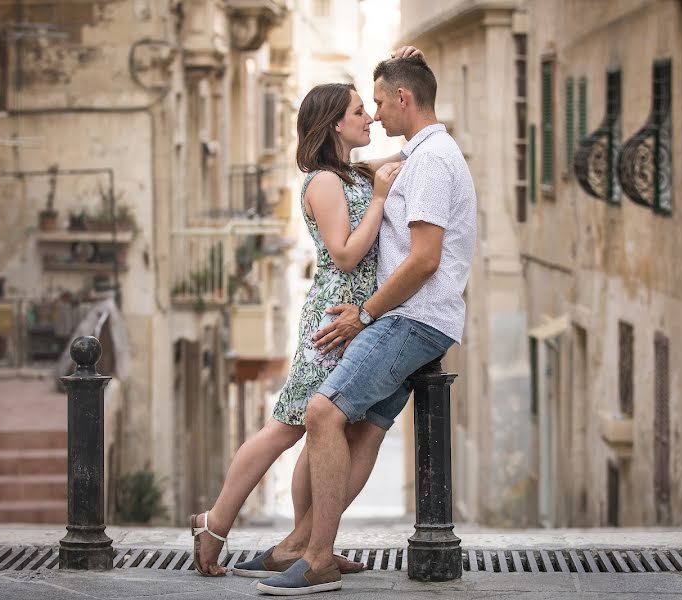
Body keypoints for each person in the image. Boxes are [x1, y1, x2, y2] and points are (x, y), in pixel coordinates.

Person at [255, 50, 477, 596]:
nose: (374, 115)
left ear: (404, 98)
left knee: (321, 413)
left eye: (378, 102)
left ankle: (317, 559)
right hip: (419, 318)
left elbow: (424, 258)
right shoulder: (424, 154)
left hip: (410, 319)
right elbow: (362, 178)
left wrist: (366, 314)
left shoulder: (430, 161)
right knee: (363, 431)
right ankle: (306, 548)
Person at [190, 81, 405, 577]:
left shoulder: (352, 172)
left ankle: (305, 544)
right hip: (333, 320)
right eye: (358, 111)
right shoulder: (325, 183)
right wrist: (378, 199)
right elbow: (346, 255)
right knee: (285, 427)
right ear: (333, 123)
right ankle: (216, 522)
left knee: (320, 433)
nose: (370, 118)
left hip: (353, 318)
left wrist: (409, 74)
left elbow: (412, 154)